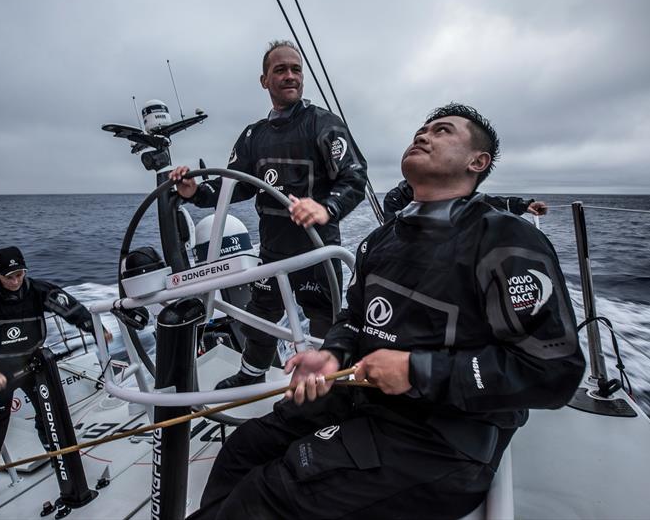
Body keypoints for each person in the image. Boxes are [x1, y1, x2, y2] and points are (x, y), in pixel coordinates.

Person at [188, 103, 585, 520]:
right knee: (243, 448)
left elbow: (552, 373)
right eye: (423, 128)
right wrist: (333, 354)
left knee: (266, 495)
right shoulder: (380, 241)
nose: (424, 134)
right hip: (361, 400)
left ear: (477, 161)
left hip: (440, 438)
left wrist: (417, 370)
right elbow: (353, 319)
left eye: (443, 130)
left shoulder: (503, 239)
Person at [169, 40, 368, 389]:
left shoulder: (323, 124)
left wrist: (326, 208)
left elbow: (354, 176)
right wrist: (194, 192)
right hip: (274, 252)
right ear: (264, 80)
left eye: (295, 69)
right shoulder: (253, 136)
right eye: (280, 70)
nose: (290, 76)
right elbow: (234, 186)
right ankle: (252, 372)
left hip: (318, 253)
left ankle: (333, 388)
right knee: (260, 317)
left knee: (326, 324)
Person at [0, 246, 111, 519]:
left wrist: (95, 330)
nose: (16, 281)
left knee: (51, 418)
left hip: (35, 365)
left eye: (20, 274)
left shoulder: (38, 290)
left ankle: (59, 461)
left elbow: (70, 309)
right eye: (9, 276)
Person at [383, 178, 548, 220]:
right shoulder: (395, 198)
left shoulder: (449, 191)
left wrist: (524, 205)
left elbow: (489, 202)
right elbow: (392, 231)